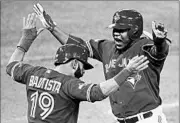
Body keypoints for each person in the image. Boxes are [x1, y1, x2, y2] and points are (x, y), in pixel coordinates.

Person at [33, 3, 171, 123]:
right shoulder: (107, 48)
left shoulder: (144, 48)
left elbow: (159, 52)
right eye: (115, 30)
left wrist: (159, 41)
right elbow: (79, 47)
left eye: (121, 30)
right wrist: (53, 29)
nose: (116, 34)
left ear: (134, 31)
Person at [6, 13, 149, 123]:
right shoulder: (69, 85)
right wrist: (127, 71)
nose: (84, 71)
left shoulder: (33, 73)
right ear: (74, 63)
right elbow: (99, 92)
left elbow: (11, 66)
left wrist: (25, 40)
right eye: (82, 66)